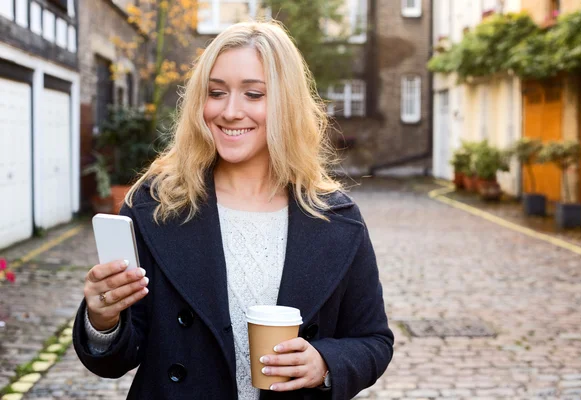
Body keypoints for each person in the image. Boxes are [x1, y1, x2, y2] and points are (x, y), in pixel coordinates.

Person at [73, 21, 393, 400]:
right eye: (216, 92)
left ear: (287, 104)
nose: (229, 111)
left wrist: (324, 363)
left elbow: (373, 340)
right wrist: (103, 318)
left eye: (253, 94)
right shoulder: (156, 206)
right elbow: (114, 359)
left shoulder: (336, 218)